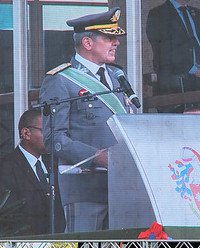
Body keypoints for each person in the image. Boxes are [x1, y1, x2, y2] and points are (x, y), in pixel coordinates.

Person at [39, 7, 137, 233]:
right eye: (109, 37)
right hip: (85, 187)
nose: (116, 43)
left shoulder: (117, 76)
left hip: (121, 184)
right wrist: (95, 156)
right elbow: (53, 138)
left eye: (116, 38)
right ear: (87, 43)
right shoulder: (61, 80)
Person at [0, 108, 65, 236]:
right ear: (26, 133)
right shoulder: (2, 166)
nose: (51, 136)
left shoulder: (54, 164)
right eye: (45, 130)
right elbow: (3, 214)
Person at [145, 0, 200, 96]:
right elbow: (163, 50)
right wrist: (194, 70)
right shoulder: (158, 13)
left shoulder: (198, 14)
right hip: (173, 87)